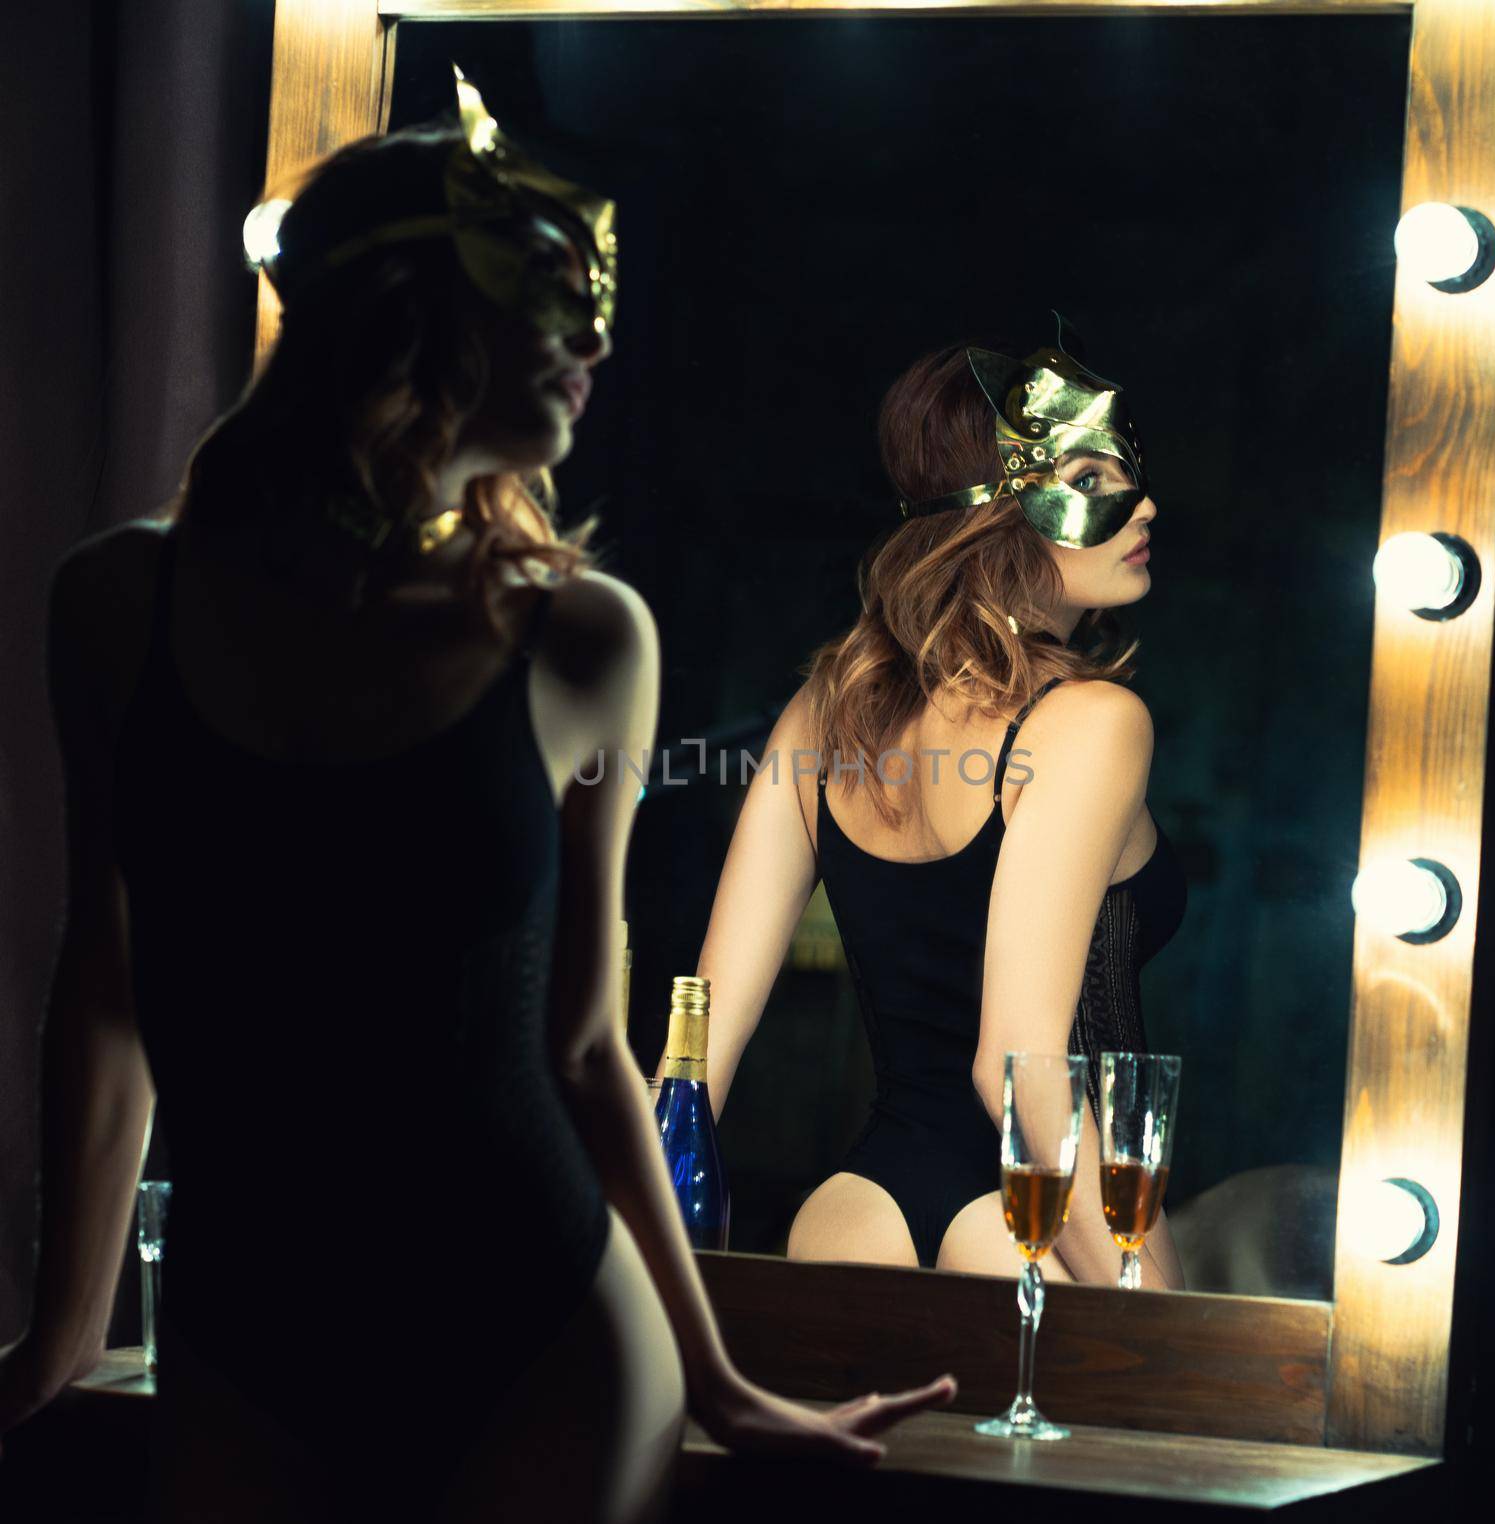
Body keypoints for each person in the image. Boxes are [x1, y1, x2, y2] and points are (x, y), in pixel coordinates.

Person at [0, 73, 953, 1523]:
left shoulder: (585, 640)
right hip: (238, 1336)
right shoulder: (117, 604)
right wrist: (58, 1338)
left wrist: (717, 1379)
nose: (601, 335)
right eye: (559, 289)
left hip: (539, 1330)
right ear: (413, 309)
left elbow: (585, 1054)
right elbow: (109, 987)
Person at [674, 335, 1188, 1289]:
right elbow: (1018, 1063)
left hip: (852, 1211)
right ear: (991, 518)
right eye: (1089, 475)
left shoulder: (822, 714)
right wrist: (1149, 1315)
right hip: (1029, 1219)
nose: (1145, 503)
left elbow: (699, 1043)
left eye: (1130, 470)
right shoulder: (1091, 724)